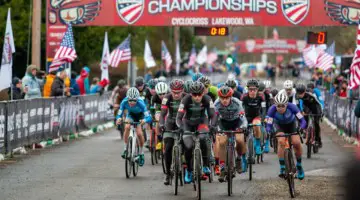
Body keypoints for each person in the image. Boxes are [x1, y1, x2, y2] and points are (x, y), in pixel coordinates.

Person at [176, 82, 216, 183]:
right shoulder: (185, 100)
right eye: (194, 94)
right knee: (188, 146)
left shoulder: (207, 99)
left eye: (199, 94)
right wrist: (180, 127)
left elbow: (213, 115)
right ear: (190, 94)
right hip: (187, 123)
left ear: (203, 93)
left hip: (202, 122)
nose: (197, 97)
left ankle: (206, 165)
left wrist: (212, 126)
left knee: (204, 139)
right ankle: (189, 170)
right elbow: (179, 117)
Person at [266, 92, 307, 179]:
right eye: (278, 106)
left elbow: (302, 120)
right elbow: (269, 124)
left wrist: (301, 128)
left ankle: (299, 166)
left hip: (291, 124)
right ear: (275, 105)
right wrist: (269, 131)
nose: (280, 108)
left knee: (296, 142)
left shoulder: (293, 107)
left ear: (286, 104)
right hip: (279, 125)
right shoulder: (271, 109)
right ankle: (282, 167)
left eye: (282, 106)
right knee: (281, 141)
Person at [213, 86, 248, 182]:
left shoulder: (237, 103)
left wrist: (244, 127)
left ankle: (239, 159)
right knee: (222, 143)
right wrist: (215, 128)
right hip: (223, 123)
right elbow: (214, 119)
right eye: (222, 98)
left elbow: (243, 118)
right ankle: (223, 168)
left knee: (240, 140)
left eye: (227, 98)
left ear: (230, 97)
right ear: (219, 97)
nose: (224, 100)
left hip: (236, 123)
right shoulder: (216, 104)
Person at [116, 87, 152, 167]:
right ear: (127, 98)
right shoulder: (124, 101)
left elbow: (149, 117)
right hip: (131, 115)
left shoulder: (141, 103)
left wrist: (145, 120)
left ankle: (141, 153)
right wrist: (118, 118)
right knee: (127, 127)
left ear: (137, 99)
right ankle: (125, 149)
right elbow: (119, 113)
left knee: (139, 133)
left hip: (140, 116)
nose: (132, 102)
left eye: (134, 100)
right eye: (130, 100)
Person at [159, 79, 185, 185]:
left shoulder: (187, 97)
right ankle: (168, 174)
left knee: (187, 144)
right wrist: (161, 124)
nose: (176, 95)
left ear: (182, 90)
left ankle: (188, 167)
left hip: (183, 121)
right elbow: (163, 114)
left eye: (178, 92)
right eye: (174, 92)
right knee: (168, 148)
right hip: (170, 121)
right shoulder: (167, 98)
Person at [240, 79, 266, 155]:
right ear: (247, 89)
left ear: (257, 89)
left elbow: (264, 109)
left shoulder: (261, 96)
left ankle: (258, 145)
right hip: (246, 117)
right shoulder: (244, 96)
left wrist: (263, 118)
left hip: (256, 116)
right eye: (250, 89)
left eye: (254, 89)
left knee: (257, 126)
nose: (252, 91)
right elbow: (240, 109)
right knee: (242, 133)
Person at [296, 83, 323, 148]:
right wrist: (301, 111)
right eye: (299, 93)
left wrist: (321, 112)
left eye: (302, 93)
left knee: (316, 123)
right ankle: (304, 130)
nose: (300, 95)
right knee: (303, 118)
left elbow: (319, 103)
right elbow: (300, 103)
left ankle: (317, 140)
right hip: (307, 107)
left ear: (304, 92)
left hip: (315, 106)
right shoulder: (297, 96)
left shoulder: (311, 95)